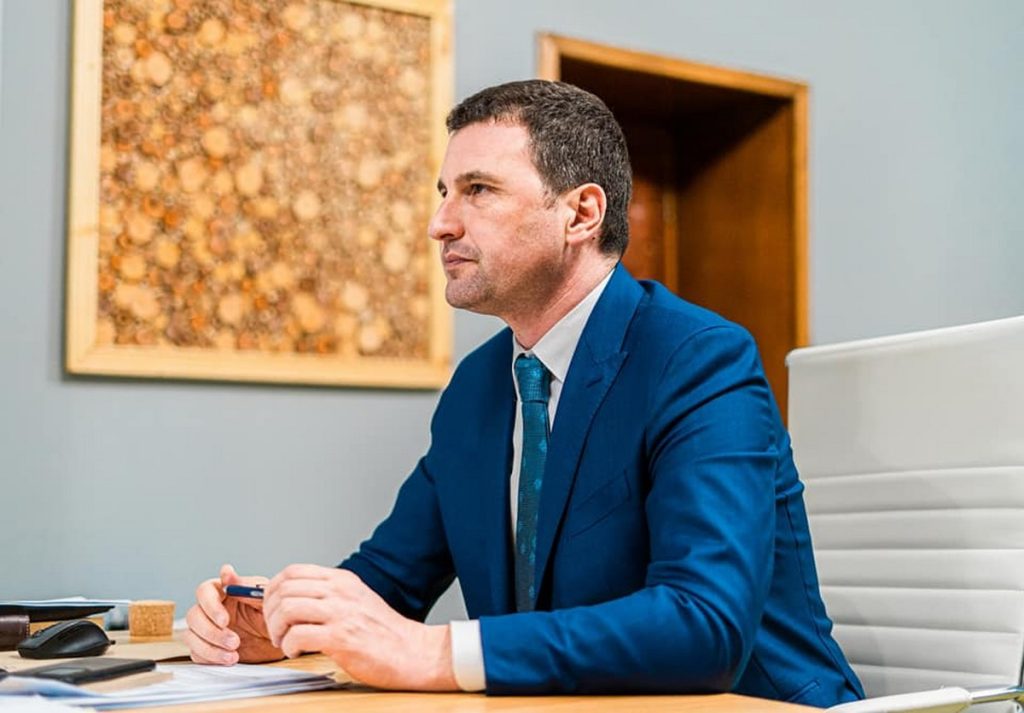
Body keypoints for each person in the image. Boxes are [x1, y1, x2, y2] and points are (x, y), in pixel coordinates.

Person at [184, 80, 864, 705]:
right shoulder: (479, 386)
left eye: (478, 190)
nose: (440, 223)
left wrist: (435, 652)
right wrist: (284, 624)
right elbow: (388, 581)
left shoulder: (697, 359)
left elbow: (704, 624)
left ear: (581, 213)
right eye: (444, 192)